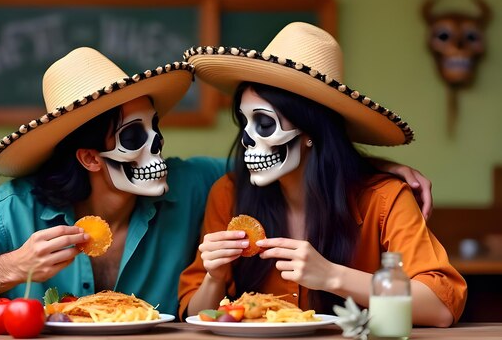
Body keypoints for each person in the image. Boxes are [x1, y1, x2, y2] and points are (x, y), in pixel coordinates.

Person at [0, 46, 432, 323]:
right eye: (133, 137)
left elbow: (285, 160)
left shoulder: (197, 184)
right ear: (89, 157)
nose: (157, 153)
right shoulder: (12, 210)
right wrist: (11, 267)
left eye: (156, 131)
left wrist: (371, 170)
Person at [178, 22, 466, 327]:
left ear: (310, 132)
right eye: (244, 122)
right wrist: (215, 276)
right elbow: (194, 314)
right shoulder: (228, 193)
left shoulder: (385, 199)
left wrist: (331, 275)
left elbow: (440, 306)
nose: (247, 140)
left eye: (264, 124)